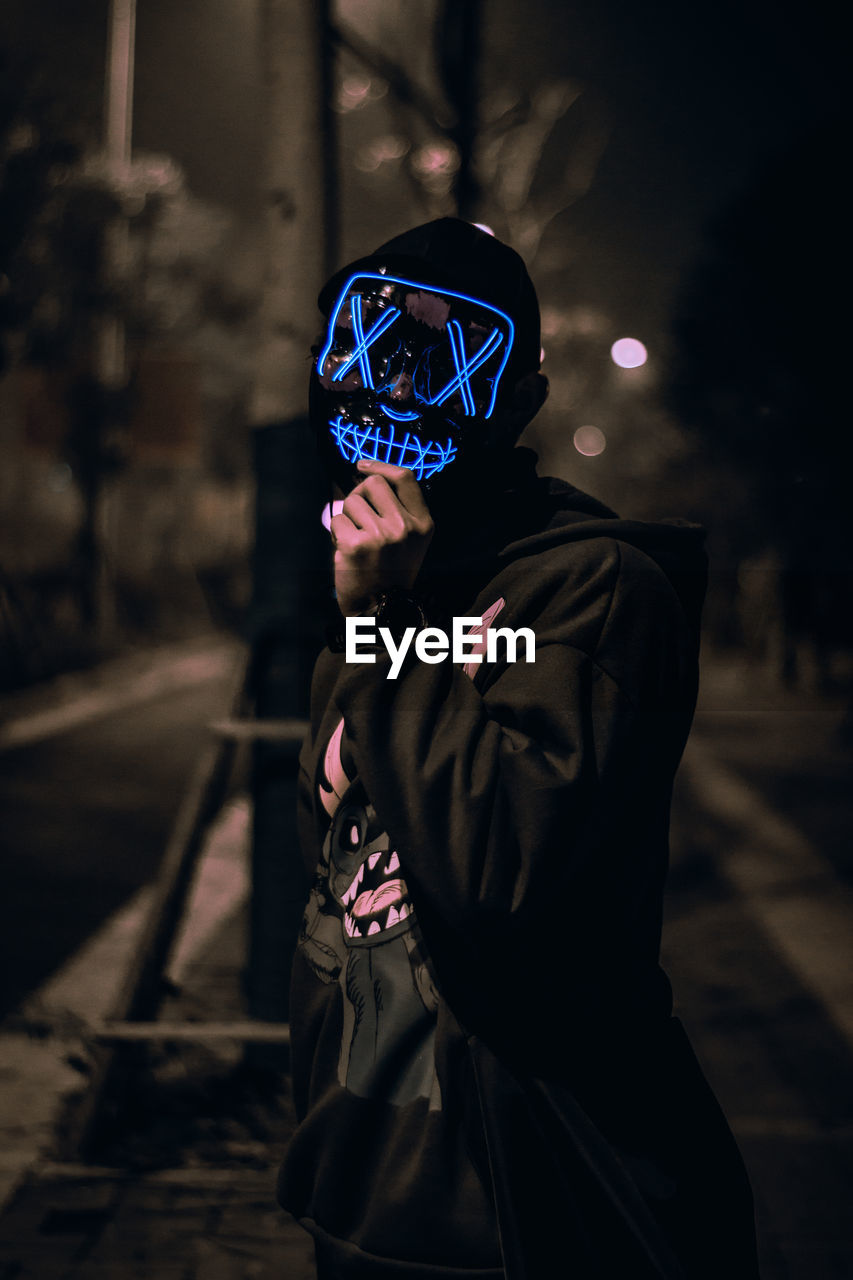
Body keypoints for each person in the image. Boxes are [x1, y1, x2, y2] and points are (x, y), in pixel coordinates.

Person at [277, 218, 760, 1279]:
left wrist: (387, 623)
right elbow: (342, 868)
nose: (396, 393)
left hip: (531, 1193)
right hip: (369, 1174)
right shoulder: (385, 586)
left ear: (519, 401)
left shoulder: (592, 587)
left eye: (450, 364)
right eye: (370, 349)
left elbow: (494, 871)